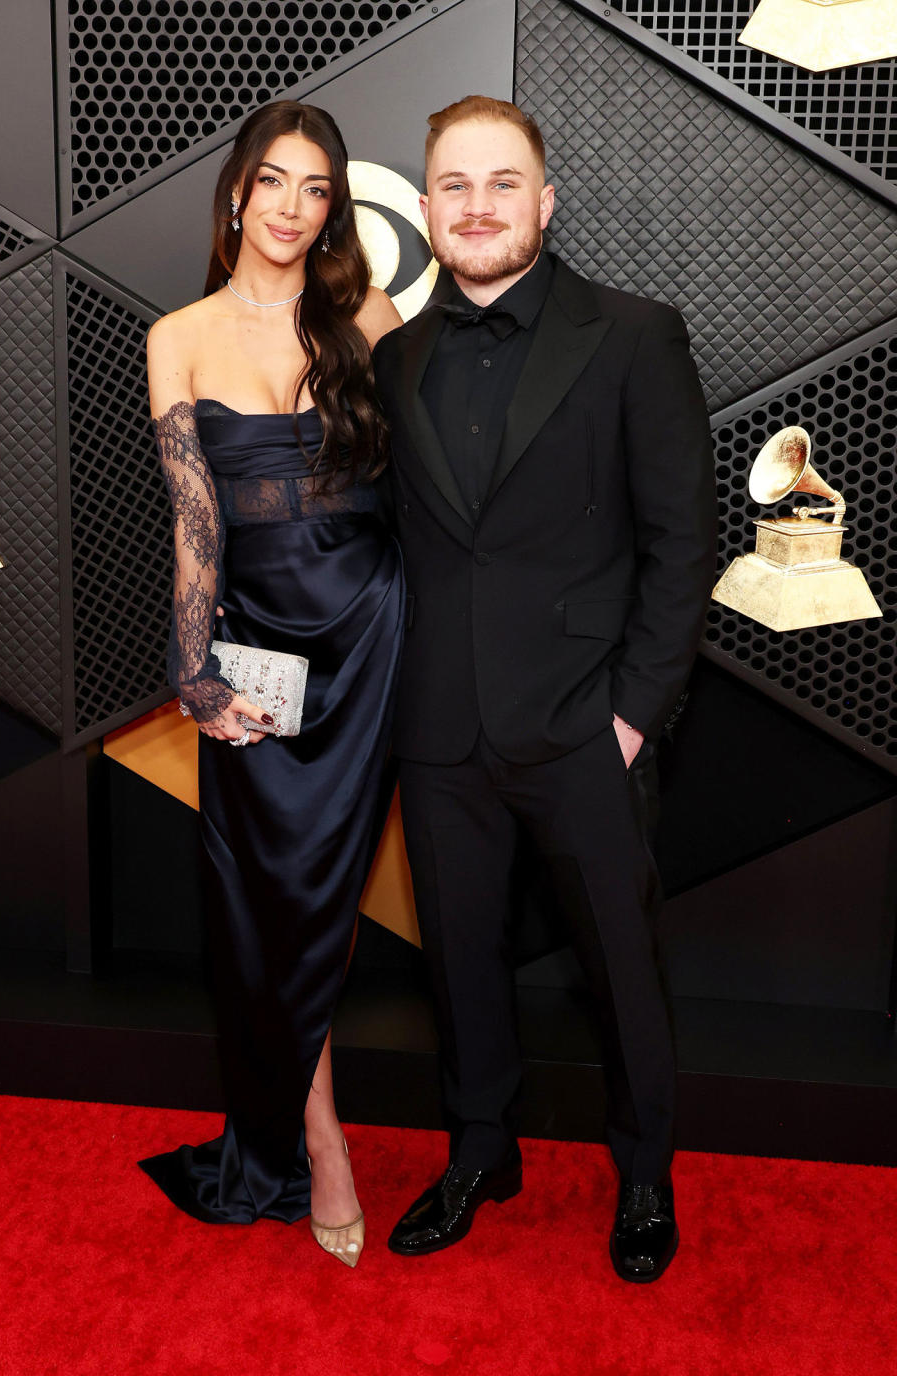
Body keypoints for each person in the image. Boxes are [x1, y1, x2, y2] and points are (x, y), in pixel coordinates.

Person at [373, 96, 717, 1282]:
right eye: (455, 186)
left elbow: (682, 545)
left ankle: (645, 1175)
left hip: (584, 723)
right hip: (440, 724)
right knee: (460, 960)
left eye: (502, 182)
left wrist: (630, 715)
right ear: (425, 212)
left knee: (622, 964)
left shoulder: (633, 334)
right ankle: (480, 1150)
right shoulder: (397, 354)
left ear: (545, 199)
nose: (477, 205)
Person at [138, 100, 404, 1268]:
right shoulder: (179, 334)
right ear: (237, 192)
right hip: (264, 651)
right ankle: (315, 1128)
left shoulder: (369, 316)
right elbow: (196, 526)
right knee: (275, 897)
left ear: (332, 208)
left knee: (330, 897)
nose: (293, 208)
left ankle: (323, 1136)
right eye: (274, 182)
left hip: (378, 631)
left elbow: (428, 491)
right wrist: (193, 670)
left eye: (316, 189)